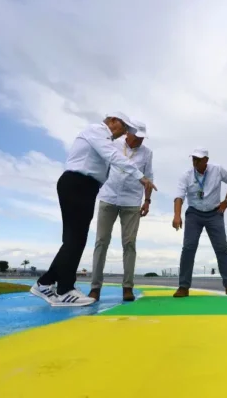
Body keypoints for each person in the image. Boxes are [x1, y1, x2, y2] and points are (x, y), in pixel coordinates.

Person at [31, 112, 156, 307]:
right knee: (76, 239)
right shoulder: (96, 131)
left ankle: (48, 282)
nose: (123, 134)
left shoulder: (110, 139)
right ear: (114, 121)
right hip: (79, 184)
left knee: (75, 239)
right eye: (124, 129)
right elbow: (113, 156)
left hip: (88, 187)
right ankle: (63, 289)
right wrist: (140, 176)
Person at [88, 120, 154, 303]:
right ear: (128, 133)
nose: (140, 141)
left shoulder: (147, 153)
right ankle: (95, 288)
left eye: (142, 138)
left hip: (131, 201)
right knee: (101, 241)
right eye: (137, 137)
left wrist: (147, 200)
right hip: (108, 197)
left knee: (129, 243)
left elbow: (149, 177)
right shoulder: (112, 144)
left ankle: (127, 287)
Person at [171, 148, 227, 298]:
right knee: (188, 248)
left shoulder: (217, 170)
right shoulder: (186, 175)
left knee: (222, 248)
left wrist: (226, 202)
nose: (195, 162)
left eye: (198, 159)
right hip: (194, 213)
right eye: (193, 159)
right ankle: (183, 286)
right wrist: (177, 215)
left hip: (214, 213)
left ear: (206, 160)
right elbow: (179, 196)